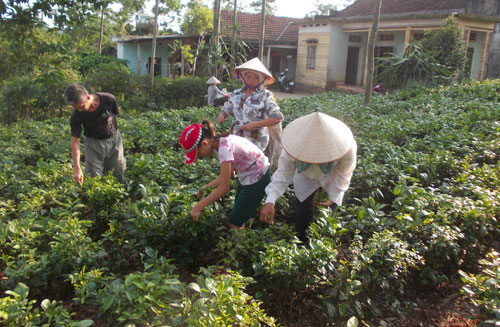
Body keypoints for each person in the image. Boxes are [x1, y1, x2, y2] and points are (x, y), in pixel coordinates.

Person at [259, 112, 357, 244]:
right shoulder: (291, 148)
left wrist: (333, 197)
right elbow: (283, 174)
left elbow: (344, 173)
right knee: (303, 216)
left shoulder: (347, 149)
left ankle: (323, 247)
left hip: (331, 178)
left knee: (327, 220)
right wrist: (270, 200)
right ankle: (303, 244)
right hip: (305, 178)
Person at [179, 120, 271, 229]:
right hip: (250, 174)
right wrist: (205, 188)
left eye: (198, 154)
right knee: (238, 215)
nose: (200, 156)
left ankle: (241, 243)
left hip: (257, 178)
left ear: (204, 143)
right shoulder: (221, 141)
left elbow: (224, 187)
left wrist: (198, 207)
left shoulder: (224, 150)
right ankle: (242, 236)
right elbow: (229, 174)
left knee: (234, 223)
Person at [215, 57, 283, 156]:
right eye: (248, 76)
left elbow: (277, 118)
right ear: (242, 76)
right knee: (238, 164)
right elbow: (227, 108)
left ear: (261, 79)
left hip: (257, 140)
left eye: (255, 77)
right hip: (237, 137)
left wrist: (254, 124)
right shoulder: (236, 93)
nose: (251, 80)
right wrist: (222, 116)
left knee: (254, 166)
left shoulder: (266, 95)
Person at [64, 84, 126, 185]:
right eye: (76, 108)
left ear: (88, 98)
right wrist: (77, 168)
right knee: (93, 178)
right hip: (93, 144)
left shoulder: (108, 99)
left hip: (114, 140)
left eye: (81, 106)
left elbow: (115, 113)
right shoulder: (76, 115)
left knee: (118, 172)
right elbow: (75, 141)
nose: (79, 110)